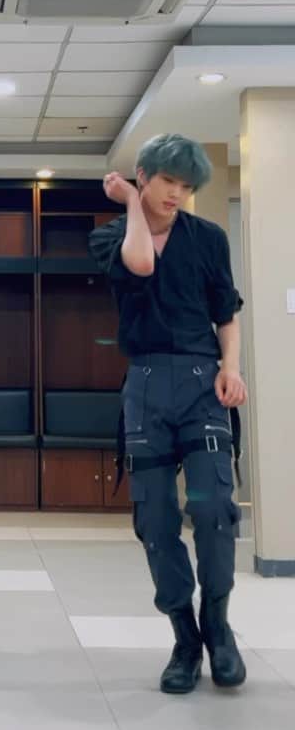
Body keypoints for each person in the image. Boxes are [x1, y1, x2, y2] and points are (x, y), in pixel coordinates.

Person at [89, 133, 247, 695]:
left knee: (213, 509)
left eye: (186, 185)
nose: (176, 194)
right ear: (144, 177)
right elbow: (141, 264)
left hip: (203, 384)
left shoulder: (208, 238)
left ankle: (218, 626)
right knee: (155, 521)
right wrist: (133, 204)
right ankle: (184, 636)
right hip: (146, 387)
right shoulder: (111, 235)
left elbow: (225, 311)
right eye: (167, 182)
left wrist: (232, 367)